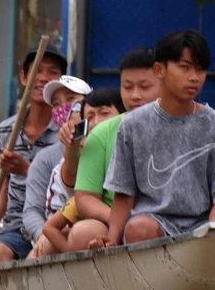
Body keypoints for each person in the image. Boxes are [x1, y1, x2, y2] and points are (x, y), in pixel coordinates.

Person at [87, 30, 215, 249]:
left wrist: (212, 230)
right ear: (160, 70)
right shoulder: (133, 125)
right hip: (154, 220)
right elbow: (124, 193)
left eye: (200, 69)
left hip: (205, 221)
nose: (194, 77)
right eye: (185, 67)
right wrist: (111, 239)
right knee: (139, 229)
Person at [0, 42, 66, 263]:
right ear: (24, 77)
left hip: (55, 226)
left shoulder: (66, 131)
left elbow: (69, 183)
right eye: (37, 71)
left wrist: (26, 169)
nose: (43, 78)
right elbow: (5, 183)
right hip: (16, 228)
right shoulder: (8, 130)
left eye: (52, 73)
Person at [66, 47, 162, 251]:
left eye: (145, 87)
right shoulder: (102, 132)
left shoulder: (184, 126)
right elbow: (85, 197)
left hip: (167, 220)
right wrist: (118, 220)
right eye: (127, 87)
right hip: (114, 219)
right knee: (83, 233)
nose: (135, 95)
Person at [27, 86, 126, 258]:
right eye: (90, 117)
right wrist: (71, 254)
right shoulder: (74, 152)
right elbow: (47, 224)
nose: (96, 123)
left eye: (104, 114)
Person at [20, 75, 92, 258]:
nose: (63, 109)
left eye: (70, 100)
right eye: (56, 104)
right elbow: (32, 210)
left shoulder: (106, 145)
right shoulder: (44, 159)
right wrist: (43, 236)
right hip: (57, 233)